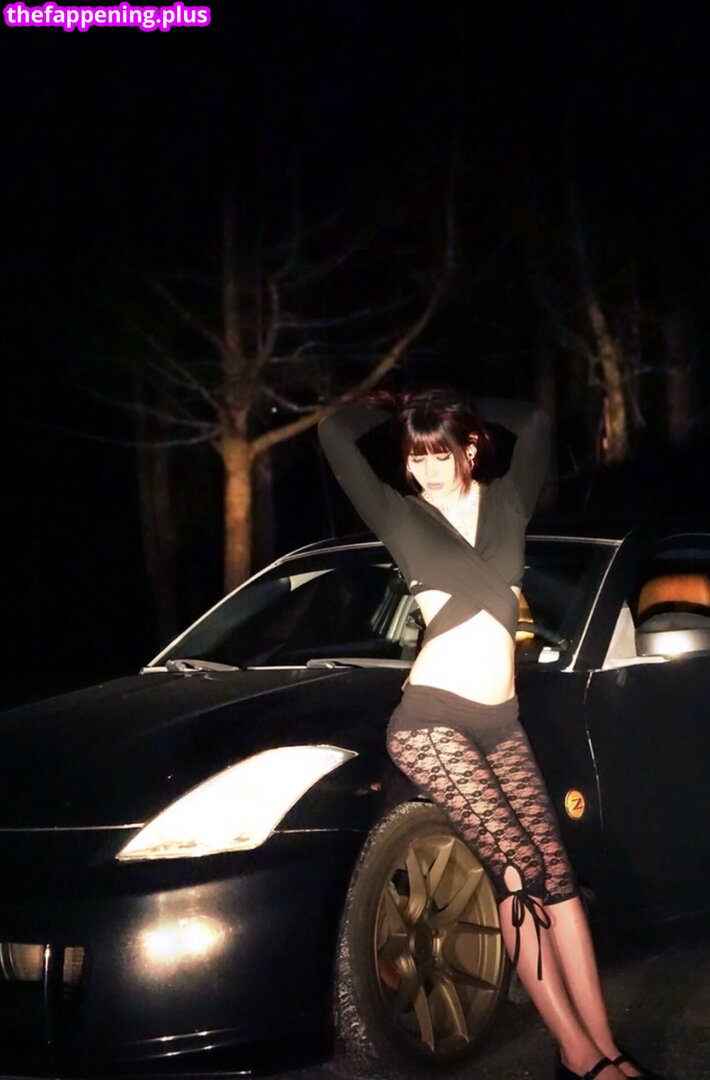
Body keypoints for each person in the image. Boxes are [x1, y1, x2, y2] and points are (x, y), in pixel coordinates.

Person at [318, 388, 664, 1080]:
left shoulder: (507, 503)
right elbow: (333, 431)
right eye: (415, 457)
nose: (425, 470)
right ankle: (577, 1056)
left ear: (470, 448)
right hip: (431, 722)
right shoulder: (400, 514)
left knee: (556, 876)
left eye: (439, 454)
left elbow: (535, 420)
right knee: (519, 873)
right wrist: (401, 405)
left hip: (500, 723)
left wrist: (451, 405)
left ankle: (606, 1048)